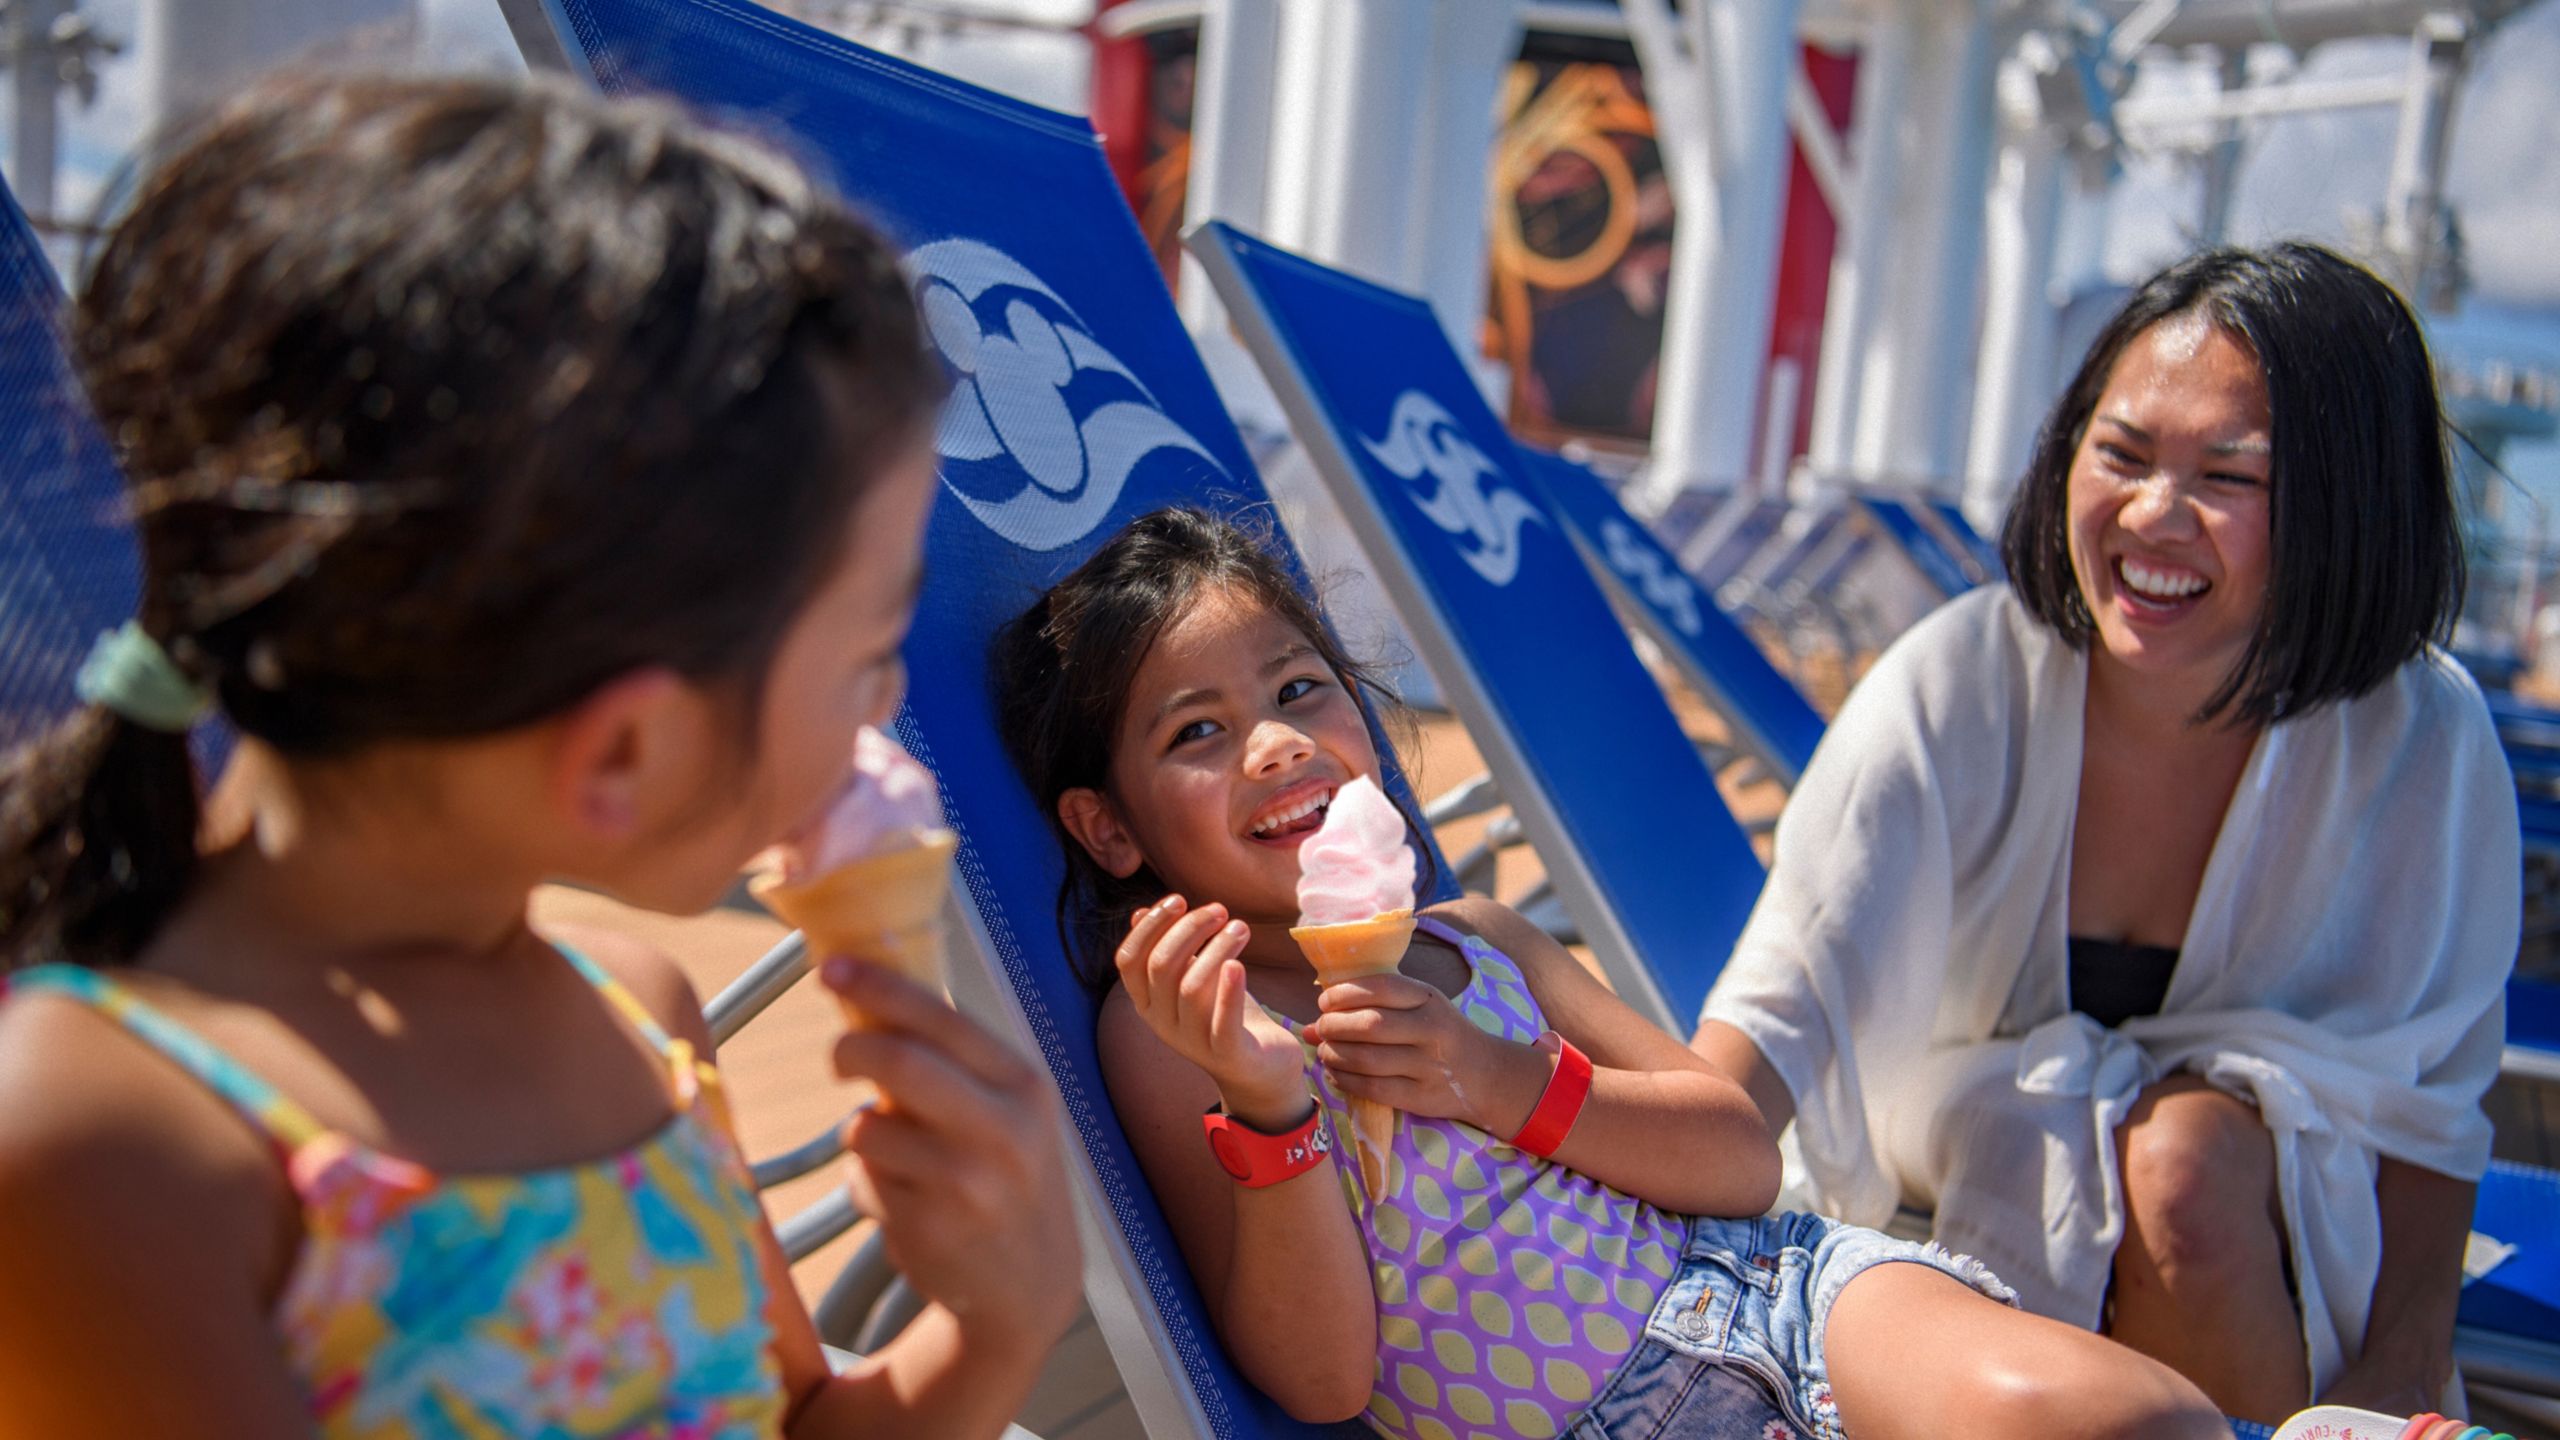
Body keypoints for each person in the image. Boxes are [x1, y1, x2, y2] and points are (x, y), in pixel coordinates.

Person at [0, 73, 1079, 1438]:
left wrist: (996, 1324)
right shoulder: (113, 1140)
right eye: (871, 653)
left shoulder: (640, 1017)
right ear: (625, 751)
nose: (885, 707)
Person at [989, 506, 2226, 1440]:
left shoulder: (1477, 938)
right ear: (1110, 829)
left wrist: (1499, 1079)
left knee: (2134, 1420)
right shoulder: (1182, 1037)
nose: (1273, 743)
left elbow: (1736, 1158)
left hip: (1774, 1289)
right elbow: (1320, 1381)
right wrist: (1270, 1110)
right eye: (1196, 732)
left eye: (1300, 688)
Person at [1692, 243, 2515, 1425]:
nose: (2151, 514)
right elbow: (1781, 1013)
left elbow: (2430, 1101)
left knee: (2186, 1162)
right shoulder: (1962, 688)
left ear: (2347, 505)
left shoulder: (2417, 741)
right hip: (1944, 1132)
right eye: (2120, 454)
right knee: (2152, 1156)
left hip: (2266, 1200)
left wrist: (2398, 1373)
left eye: (2229, 476)